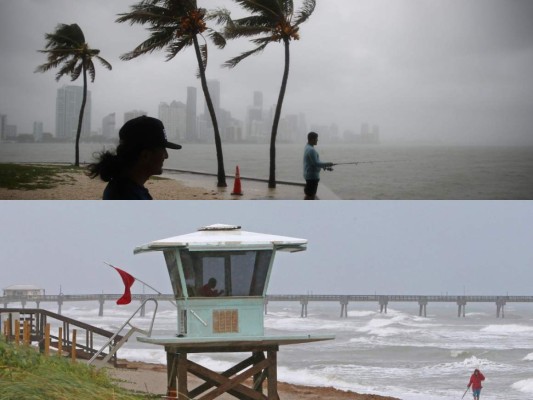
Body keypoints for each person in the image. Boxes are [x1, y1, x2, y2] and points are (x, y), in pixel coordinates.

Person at [87, 116, 181, 199]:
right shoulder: (126, 196)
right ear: (145, 155)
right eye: (163, 150)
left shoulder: (126, 188)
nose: (166, 156)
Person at [303, 131, 333, 200]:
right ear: (312, 139)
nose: (317, 140)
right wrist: (328, 163)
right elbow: (316, 163)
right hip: (312, 177)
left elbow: (312, 163)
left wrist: (325, 167)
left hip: (309, 175)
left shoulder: (307, 147)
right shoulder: (311, 150)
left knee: (309, 193)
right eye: (316, 138)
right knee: (311, 195)